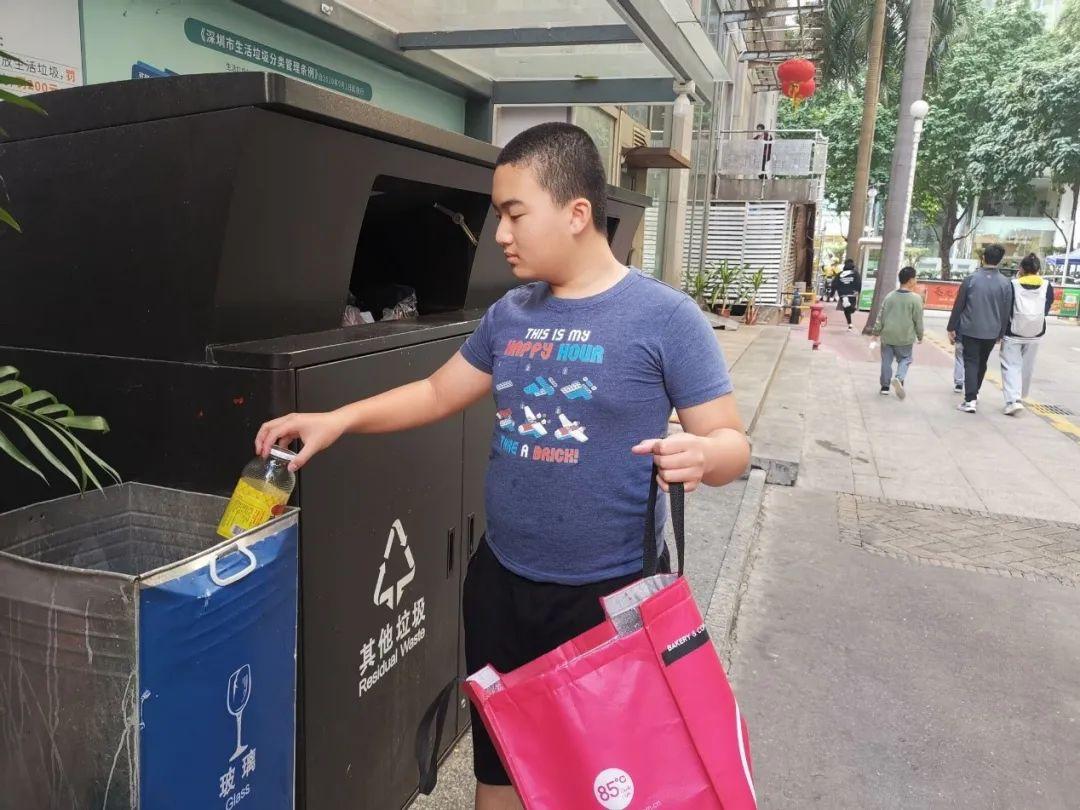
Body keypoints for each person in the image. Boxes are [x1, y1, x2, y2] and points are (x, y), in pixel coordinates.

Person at [253, 123, 750, 810]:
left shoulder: (666, 318)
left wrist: (705, 454)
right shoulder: (510, 315)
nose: (501, 236)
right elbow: (436, 393)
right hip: (502, 582)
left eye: (515, 214)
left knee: (604, 778)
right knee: (502, 763)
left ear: (576, 212)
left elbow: (731, 444)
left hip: (607, 597)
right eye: (498, 217)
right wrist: (337, 419)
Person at [947, 244, 1013, 413]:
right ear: (1000, 261)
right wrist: (1001, 332)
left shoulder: (971, 279)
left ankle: (970, 400)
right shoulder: (1006, 283)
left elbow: (959, 305)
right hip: (992, 331)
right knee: (982, 362)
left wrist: (951, 327)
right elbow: (1006, 311)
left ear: (983, 258)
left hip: (970, 328)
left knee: (971, 362)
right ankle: (974, 392)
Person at [1000, 253, 1054, 415]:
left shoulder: (1013, 284)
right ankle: (1021, 396)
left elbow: (1006, 308)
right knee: (1027, 366)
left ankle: (1013, 400)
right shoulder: (1047, 285)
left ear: (1021, 268)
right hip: (1035, 332)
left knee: (1011, 366)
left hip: (1013, 332)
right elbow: (1046, 307)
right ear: (1038, 269)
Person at [871, 266, 924, 399]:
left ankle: (885, 387)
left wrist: (876, 332)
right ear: (910, 280)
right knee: (906, 359)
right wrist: (920, 335)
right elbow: (918, 320)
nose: (916, 280)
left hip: (887, 335)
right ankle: (899, 378)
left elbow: (881, 316)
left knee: (886, 361)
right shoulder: (916, 299)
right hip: (905, 337)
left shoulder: (890, 296)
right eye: (915, 278)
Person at [834, 258, 862, 330]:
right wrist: (858, 290)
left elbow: (835, 283)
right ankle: (851, 308)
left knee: (846, 310)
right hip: (852, 293)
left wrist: (833, 293)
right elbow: (858, 282)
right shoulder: (855, 273)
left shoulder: (840, 274)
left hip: (842, 294)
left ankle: (850, 324)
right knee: (852, 309)